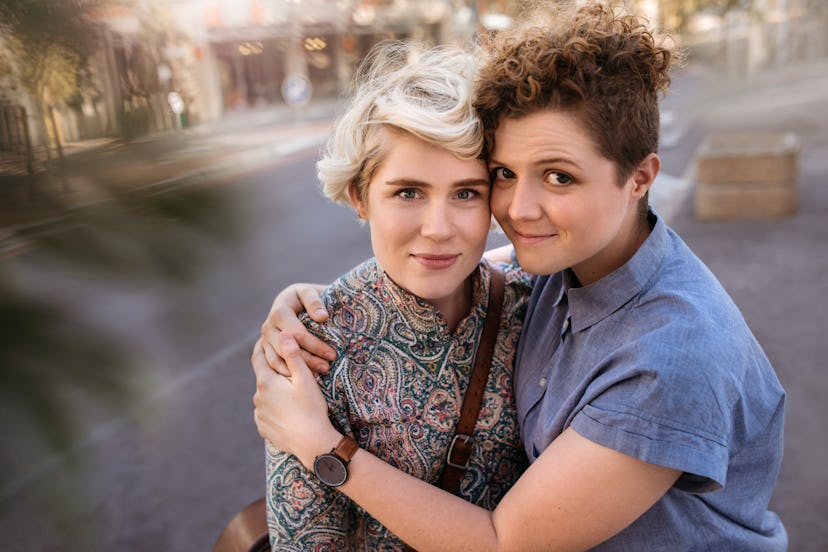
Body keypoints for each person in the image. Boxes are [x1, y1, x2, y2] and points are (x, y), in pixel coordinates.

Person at [253, 3, 787, 550]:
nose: (521, 209)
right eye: (505, 174)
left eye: (559, 177)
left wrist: (319, 444)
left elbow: (505, 544)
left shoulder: (668, 359)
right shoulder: (565, 262)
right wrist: (309, 305)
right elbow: (476, 260)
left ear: (640, 178)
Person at [258, 40, 533, 550]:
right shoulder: (315, 349)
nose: (438, 228)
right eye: (408, 192)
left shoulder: (533, 304)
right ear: (361, 197)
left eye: (466, 193)